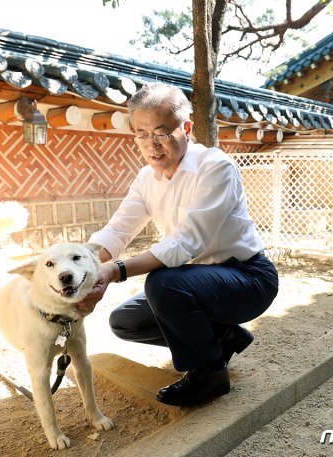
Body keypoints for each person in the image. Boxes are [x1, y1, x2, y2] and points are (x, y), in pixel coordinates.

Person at [78, 82, 279, 407]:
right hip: (194, 279)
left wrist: (115, 271)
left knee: (163, 284)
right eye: (142, 135)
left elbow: (186, 242)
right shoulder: (146, 178)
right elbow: (117, 231)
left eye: (161, 133)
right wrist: (82, 269)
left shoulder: (215, 167)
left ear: (185, 127)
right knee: (126, 321)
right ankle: (222, 337)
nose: (152, 145)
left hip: (247, 278)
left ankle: (210, 373)